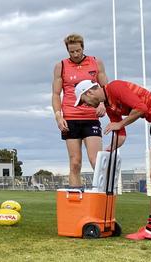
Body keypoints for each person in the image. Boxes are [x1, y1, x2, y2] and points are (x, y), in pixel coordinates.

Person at [76, 79, 151, 241]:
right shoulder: (109, 106)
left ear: (89, 92)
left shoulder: (114, 87)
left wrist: (120, 123)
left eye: (83, 101)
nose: (85, 105)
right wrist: (109, 149)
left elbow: (141, 108)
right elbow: (121, 134)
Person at [51, 34, 108, 188]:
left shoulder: (96, 63)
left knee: (96, 160)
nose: (75, 55)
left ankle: (101, 195)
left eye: (77, 51)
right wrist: (58, 116)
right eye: (71, 52)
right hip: (70, 117)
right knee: (75, 162)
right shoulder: (61, 66)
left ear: (83, 47)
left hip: (91, 117)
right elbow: (56, 94)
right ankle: (76, 198)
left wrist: (102, 104)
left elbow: (106, 89)